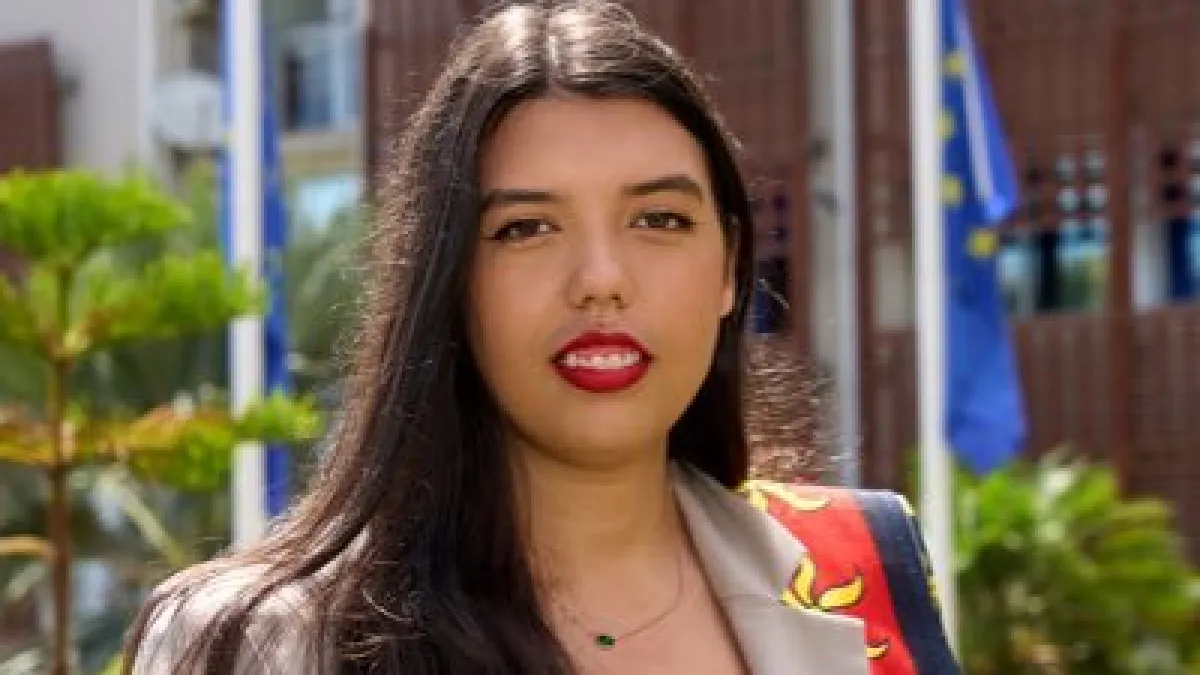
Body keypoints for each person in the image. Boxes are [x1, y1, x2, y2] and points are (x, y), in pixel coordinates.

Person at [125, 2, 958, 673]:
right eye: (526, 228)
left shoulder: (859, 572)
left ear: (731, 268)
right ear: (448, 279)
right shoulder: (264, 641)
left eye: (659, 219)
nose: (601, 277)